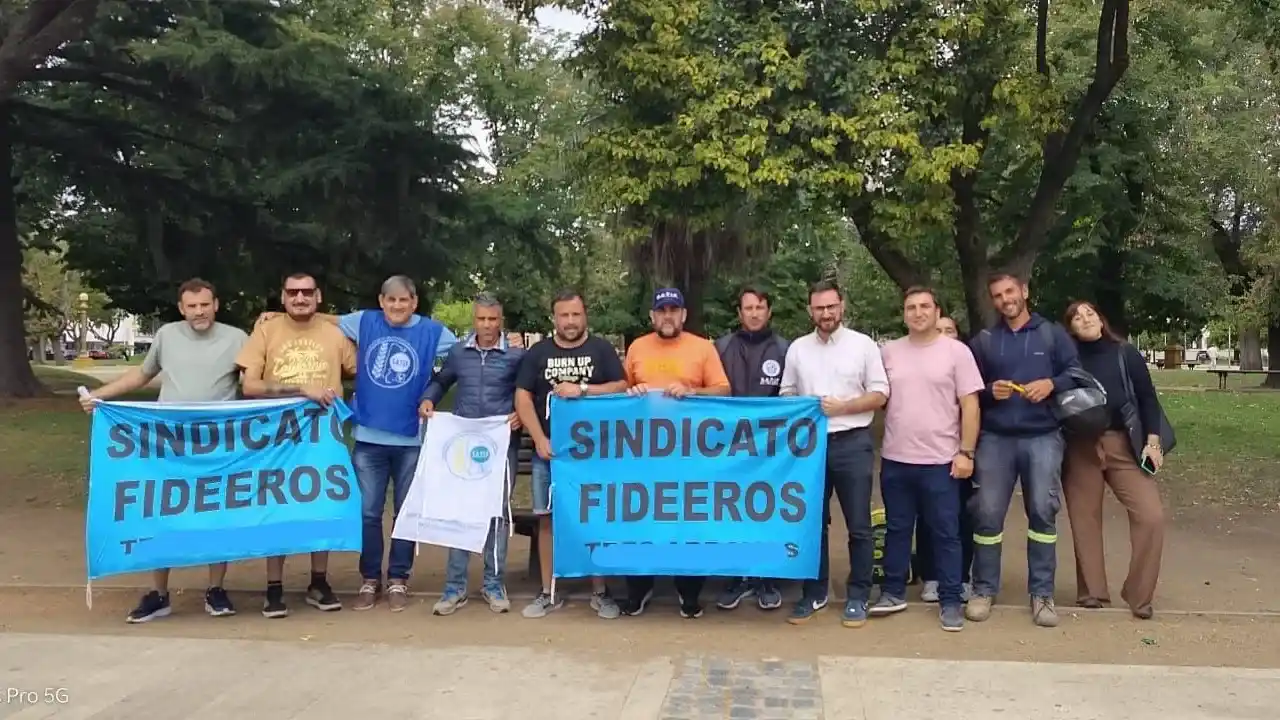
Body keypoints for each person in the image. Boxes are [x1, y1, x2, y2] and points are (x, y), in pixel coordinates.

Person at [81, 278, 247, 623]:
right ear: (181, 308)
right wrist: (102, 397)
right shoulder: (167, 336)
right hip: (166, 443)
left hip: (218, 444)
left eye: (205, 304)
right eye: (192, 306)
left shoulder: (237, 339)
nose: (199, 312)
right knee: (160, 512)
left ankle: (216, 590)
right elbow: (142, 375)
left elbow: (256, 382)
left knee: (217, 515)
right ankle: (159, 594)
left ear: (216, 304)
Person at [237, 272, 357, 618]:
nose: (300, 297)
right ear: (283, 296)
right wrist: (302, 389)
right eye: (293, 292)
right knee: (277, 505)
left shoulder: (335, 333)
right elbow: (250, 386)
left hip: (323, 434)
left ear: (318, 296)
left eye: (307, 292)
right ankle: (274, 587)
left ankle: (318, 581)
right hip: (276, 435)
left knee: (320, 504)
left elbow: (360, 368)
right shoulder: (266, 331)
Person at [966, 271, 1081, 628]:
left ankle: (1042, 593)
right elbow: (969, 390)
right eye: (997, 295)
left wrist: (1051, 383)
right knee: (986, 514)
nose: (1005, 300)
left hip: (1043, 436)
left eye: (1010, 292)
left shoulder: (1052, 334)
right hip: (995, 439)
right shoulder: (984, 341)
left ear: (1025, 292)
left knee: (1043, 512)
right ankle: (984, 589)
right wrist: (989, 390)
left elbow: (1076, 374)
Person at [871, 288, 981, 632]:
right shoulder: (888, 352)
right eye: (911, 307)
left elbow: (971, 406)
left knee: (946, 533)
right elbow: (882, 397)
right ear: (903, 313)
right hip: (896, 458)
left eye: (924, 307)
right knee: (897, 529)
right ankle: (892, 592)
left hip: (942, 460)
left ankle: (950, 600)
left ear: (936, 311)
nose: (917, 313)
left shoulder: (957, 352)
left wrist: (966, 452)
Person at [514, 289, 629, 619]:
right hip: (549, 453)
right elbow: (522, 397)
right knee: (547, 520)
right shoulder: (538, 353)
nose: (570, 321)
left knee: (594, 518)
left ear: (585, 315)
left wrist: (582, 389)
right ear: (554, 318)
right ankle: (548, 591)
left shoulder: (601, 349)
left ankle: (600, 591)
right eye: (563, 315)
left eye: (575, 315)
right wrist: (537, 438)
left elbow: (621, 386)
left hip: (593, 454)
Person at [779, 280, 888, 627]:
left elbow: (880, 394)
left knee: (859, 525)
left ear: (842, 306)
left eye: (831, 306)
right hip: (811, 447)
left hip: (853, 442)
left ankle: (858, 595)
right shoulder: (798, 349)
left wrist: (844, 408)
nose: (825, 313)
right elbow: (786, 392)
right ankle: (815, 592)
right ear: (809, 310)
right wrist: (801, 405)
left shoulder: (864, 345)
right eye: (818, 308)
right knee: (813, 523)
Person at [621, 287, 731, 618]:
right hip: (643, 455)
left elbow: (724, 391)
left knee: (688, 521)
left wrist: (692, 391)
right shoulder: (637, 347)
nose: (667, 316)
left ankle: (689, 592)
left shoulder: (703, 347)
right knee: (640, 520)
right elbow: (620, 392)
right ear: (652, 316)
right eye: (661, 310)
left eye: (674, 310)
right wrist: (633, 391)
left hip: (690, 453)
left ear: (683, 315)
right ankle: (639, 588)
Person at [1061, 301, 1166, 619]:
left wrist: (1153, 441)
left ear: (1101, 318)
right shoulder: (1067, 359)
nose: (1086, 318)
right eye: (1078, 317)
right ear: (1071, 328)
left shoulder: (1125, 353)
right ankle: (1091, 592)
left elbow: (1148, 398)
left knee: (1151, 516)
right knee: (1084, 519)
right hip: (1080, 445)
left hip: (1123, 444)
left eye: (1090, 313)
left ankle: (1140, 594)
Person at [421, 293, 525, 615]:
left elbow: (528, 390)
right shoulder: (458, 352)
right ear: (474, 320)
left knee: (496, 516)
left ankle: (494, 585)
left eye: (493, 319)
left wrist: (521, 413)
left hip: (501, 444)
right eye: (481, 319)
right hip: (464, 446)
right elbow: (441, 380)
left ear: (501, 321)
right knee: (460, 513)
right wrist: (429, 399)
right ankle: (455, 588)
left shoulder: (516, 354)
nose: (487, 325)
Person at [712, 286, 789, 612]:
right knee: (732, 512)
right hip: (728, 447)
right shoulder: (721, 347)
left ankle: (764, 577)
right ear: (739, 313)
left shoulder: (786, 350)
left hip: (772, 449)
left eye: (760, 307)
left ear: (769, 311)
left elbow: (793, 398)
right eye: (748, 308)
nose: (754, 313)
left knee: (764, 510)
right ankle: (737, 576)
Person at [913, 312, 976, 604]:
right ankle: (932, 576)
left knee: (960, 516)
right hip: (926, 454)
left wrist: (967, 450)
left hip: (960, 452)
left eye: (950, 330)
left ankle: (961, 576)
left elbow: (974, 408)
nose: (944, 334)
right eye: (939, 330)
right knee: (927, 518)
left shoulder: (965, 362)